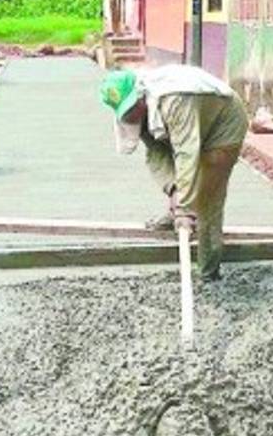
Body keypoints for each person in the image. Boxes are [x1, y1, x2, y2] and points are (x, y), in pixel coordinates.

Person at [98, 64, 247, 281]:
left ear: (140, 94)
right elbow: (157, 153)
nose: (130, 115)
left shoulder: (175, 99)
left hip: (222, 127)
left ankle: (208, 271)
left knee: (207, 197)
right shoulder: (137, 104)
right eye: (125, 111)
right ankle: (177, 206)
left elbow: (187, 153)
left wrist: (186, 209)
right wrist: (176, 191)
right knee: (157, 157)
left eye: (132, 108)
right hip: (183, 126)